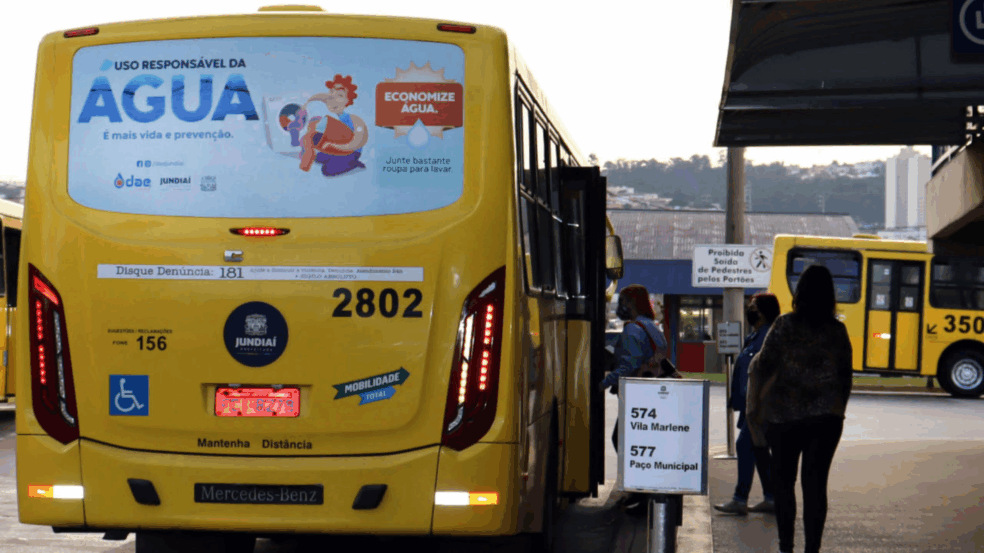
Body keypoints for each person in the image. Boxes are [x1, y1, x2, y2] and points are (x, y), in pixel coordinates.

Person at [746, 265, 853, 553]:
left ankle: (786, 547)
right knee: (816, 486)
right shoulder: (837, 330)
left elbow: (765, 363)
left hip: (784, 418)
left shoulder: (784, 325)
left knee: (784, 484)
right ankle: (812, 550)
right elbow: (846, 376)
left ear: (799, 291)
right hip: (826, 420)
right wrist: (836, 408)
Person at [599, 285, 671, 514]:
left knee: (623, 440)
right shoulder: (652, 327)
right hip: (654, 393)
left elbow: (627, 367)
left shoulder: (632, 330)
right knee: (643, 443)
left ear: (631, 304)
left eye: (624, 302)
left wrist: (601, 384)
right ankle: (642, 492)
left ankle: (642, 493)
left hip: (638, 394)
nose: (620, 307)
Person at [713, 293, 779, 516]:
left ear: (764, 311)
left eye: (754, 307)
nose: (750, 310)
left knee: (744, 446)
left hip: (760, 405)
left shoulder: (768, 336)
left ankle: (740, 499)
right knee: (759, 451)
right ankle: (772, 498)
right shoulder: (754, 336)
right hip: (751, 404)